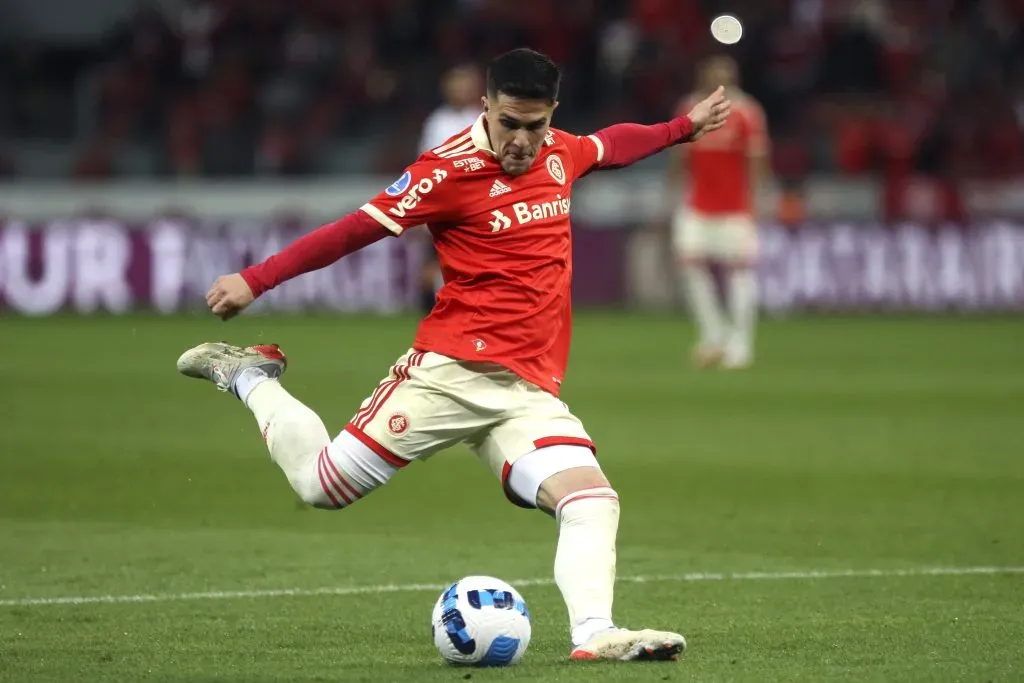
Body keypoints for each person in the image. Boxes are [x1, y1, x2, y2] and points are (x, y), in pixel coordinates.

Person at [178, 48, 730, 662]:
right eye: (509, 123)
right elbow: (352, 230)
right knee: (320, 486)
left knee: (591, 501)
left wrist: (683, 127)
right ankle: (250, 376)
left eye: (535, 125)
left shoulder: (560, 152)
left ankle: (595, 634)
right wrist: (256, 279)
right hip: (450, 376)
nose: (521, 140)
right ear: (485, 106)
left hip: (526, 392)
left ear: (552, 113)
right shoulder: (444, 171)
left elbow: (613, 144)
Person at [668, 55, 770, 369]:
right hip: (696, 204)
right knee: (688, 265)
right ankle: (713, 333)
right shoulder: (689, 107)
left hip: (735, 208)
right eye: (714, 75)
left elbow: (757, 160)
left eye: (724, 76)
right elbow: (679, 156)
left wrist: (758, 200)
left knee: (739, 273)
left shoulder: (747, 111)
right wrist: (670, 195)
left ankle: (740, 344)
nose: (718, 81)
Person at [416, 64, 485, 312]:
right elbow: (424, 163)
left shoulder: (483, 119)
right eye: (456, 85)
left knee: (475, 262)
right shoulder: (437, 121)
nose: (460, 90)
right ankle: (429, 316)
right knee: (431, 264)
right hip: (442, 201)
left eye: (465, 84)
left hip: (478, 202)